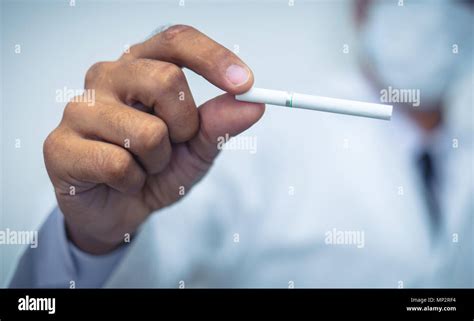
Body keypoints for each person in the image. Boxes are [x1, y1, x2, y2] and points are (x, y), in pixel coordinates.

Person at [10, 0, 473, 288]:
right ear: (362, 8)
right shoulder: (252, 134)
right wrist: (92, 242)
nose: (443, 17)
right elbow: (148, 250)